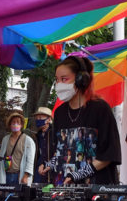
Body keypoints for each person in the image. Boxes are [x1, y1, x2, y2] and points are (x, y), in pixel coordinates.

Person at [42, 56, 121, 185]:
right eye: (57, 80)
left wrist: (79, 174)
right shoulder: (59, 112)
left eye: (64, 79)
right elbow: (60, 151)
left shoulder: (101, 108)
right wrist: (48, 164)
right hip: (65, 191)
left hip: (98, 188)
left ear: (80, 80)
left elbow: (109, 154)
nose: (59, 84)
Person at [0, 112, 35, 184]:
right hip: (6, 174)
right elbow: (2, 157)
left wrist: (26, 176)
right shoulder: (5, 139)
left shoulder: (28, 140)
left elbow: (30, 160)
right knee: (6, 195)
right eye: (13, 122)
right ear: (10, 125)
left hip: (19, 175)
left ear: (21, 125)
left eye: (18, 122)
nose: (15, 124)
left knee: (18, 195)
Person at [32, 107, 53, 183]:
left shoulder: (54, 133)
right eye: (37, 118)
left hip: (50, 170)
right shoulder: (37, 135)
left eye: (40, 117)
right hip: (38, 170)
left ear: (49, 119)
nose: (38, 119)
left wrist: (44, 164)